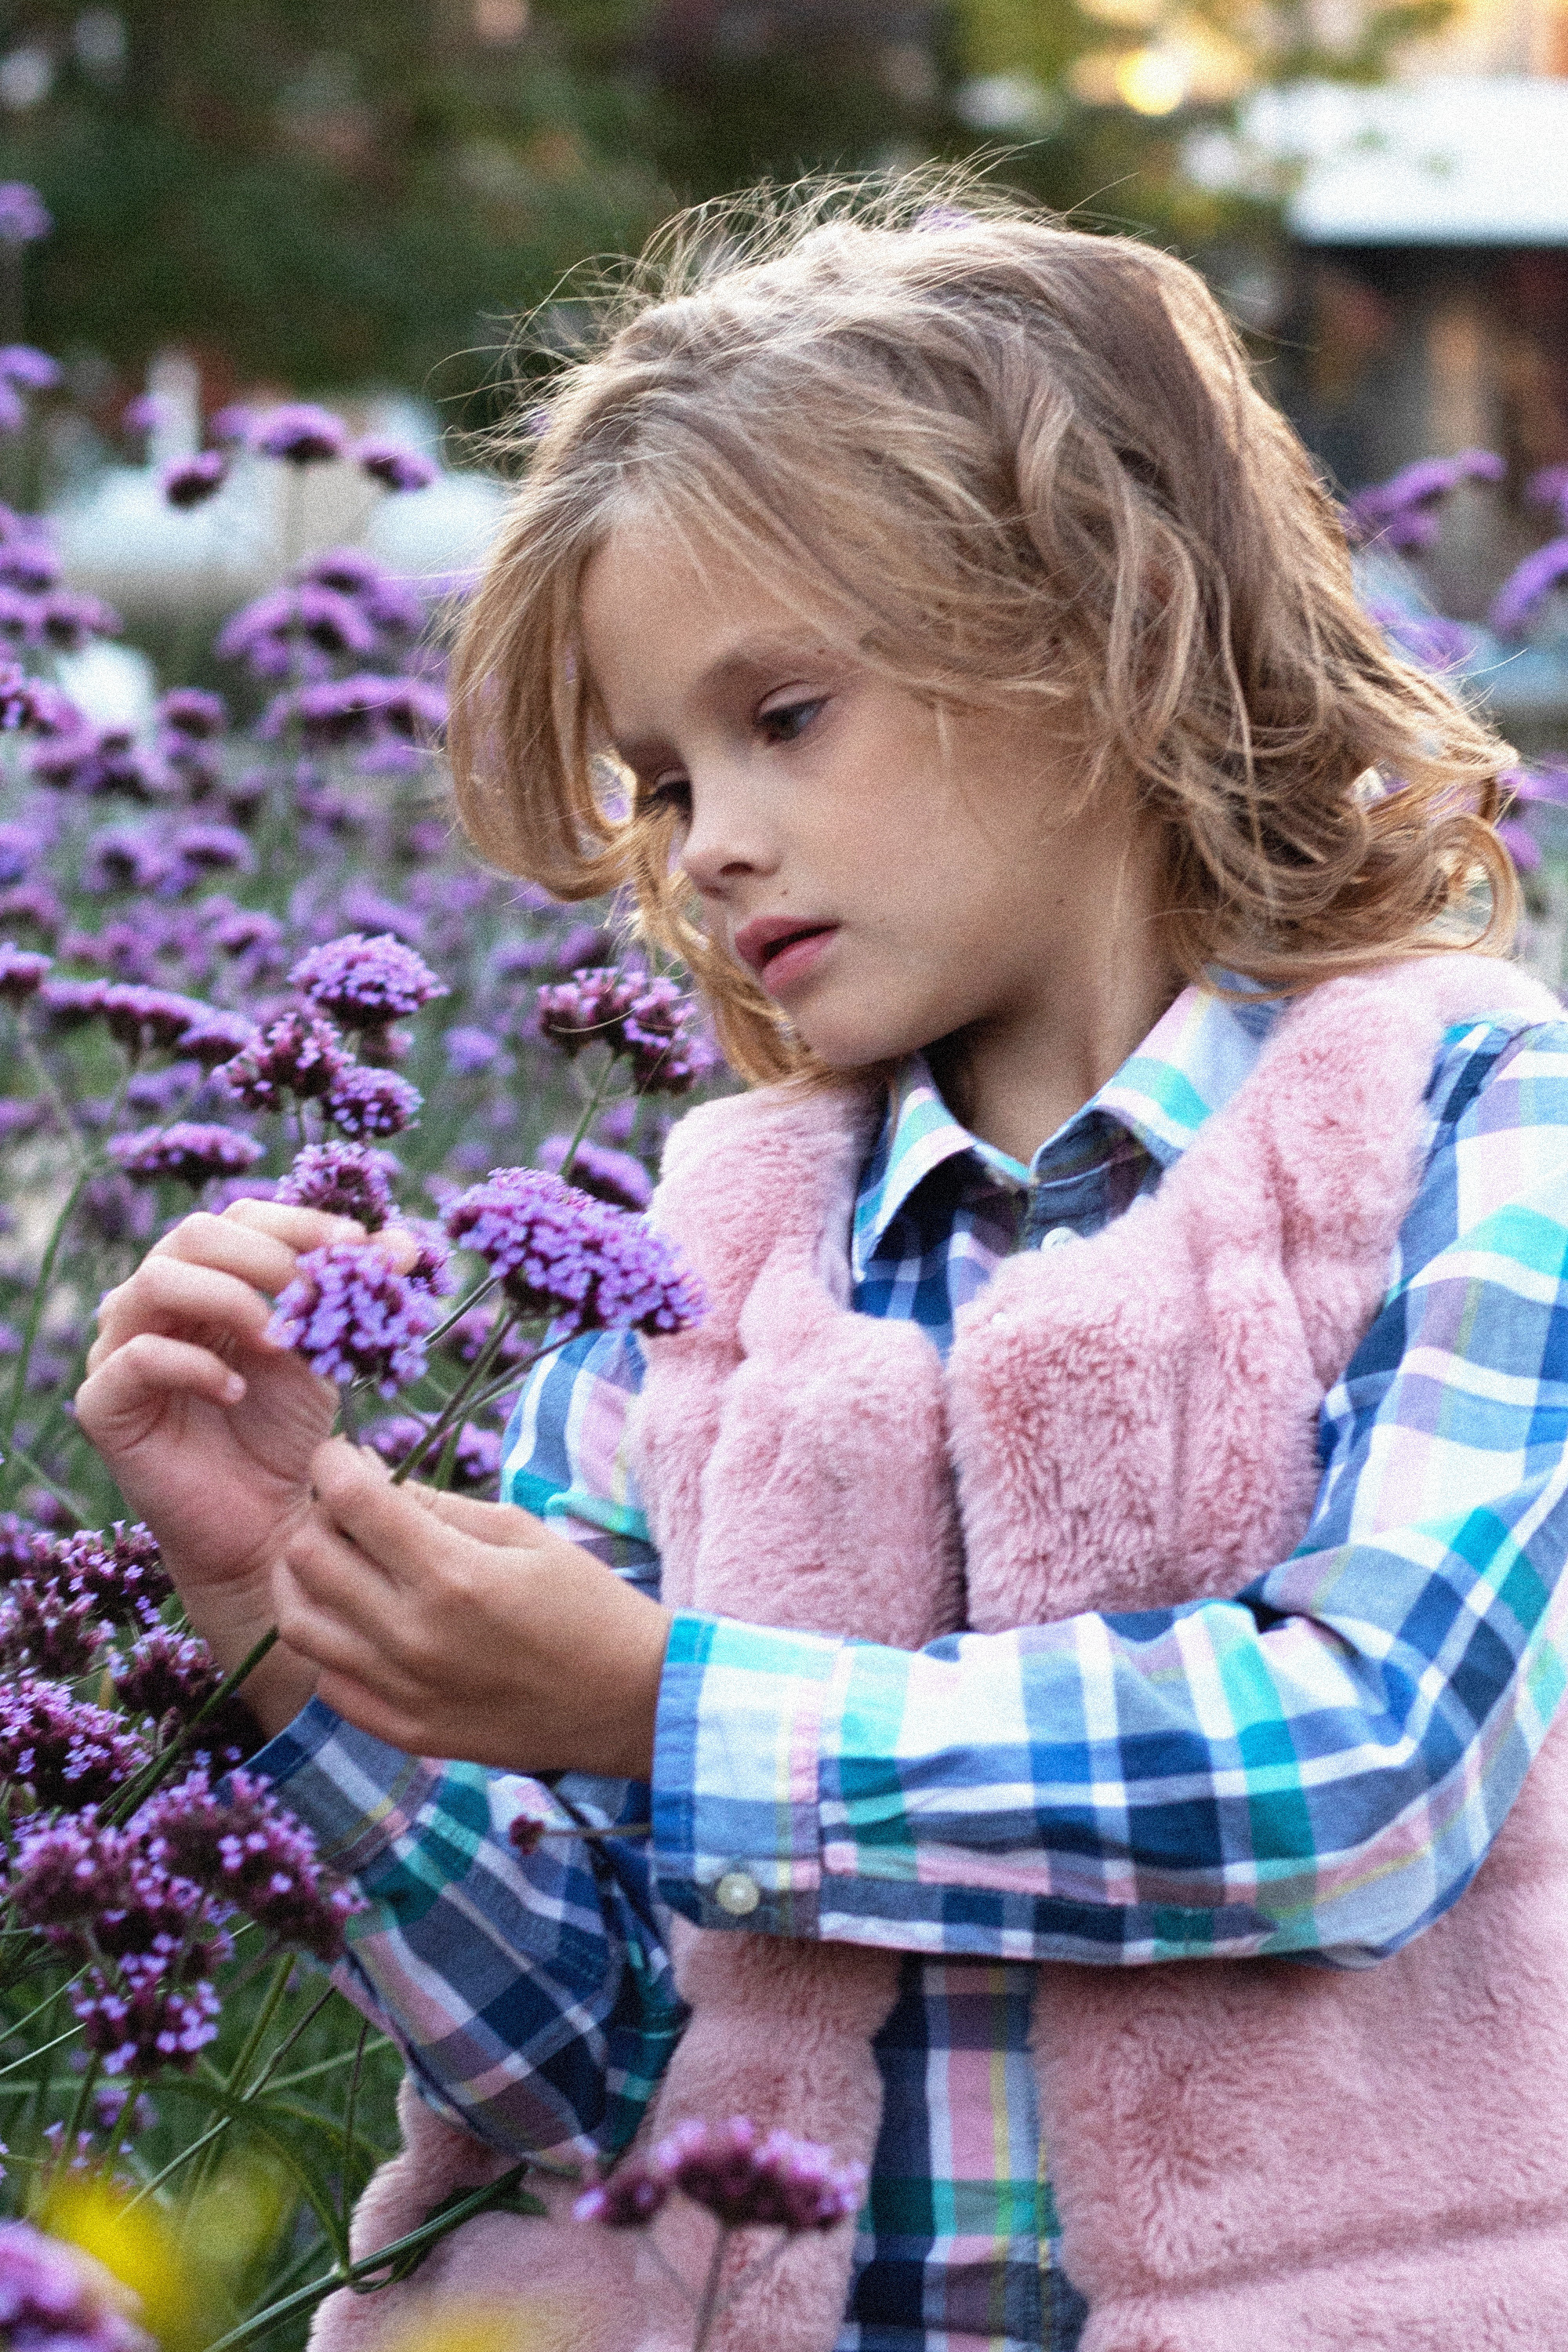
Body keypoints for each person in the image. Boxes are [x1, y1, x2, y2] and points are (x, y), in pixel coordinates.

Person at [76, 180, 1568, 2352]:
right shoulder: (691, 1252)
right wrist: (285, 1624)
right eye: (661, 780)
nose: (711, 844)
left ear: (1099, 628)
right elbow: (590, 2069)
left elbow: (1367, 1772)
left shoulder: (1462, 1115)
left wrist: (656, 1704)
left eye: (783, 716)